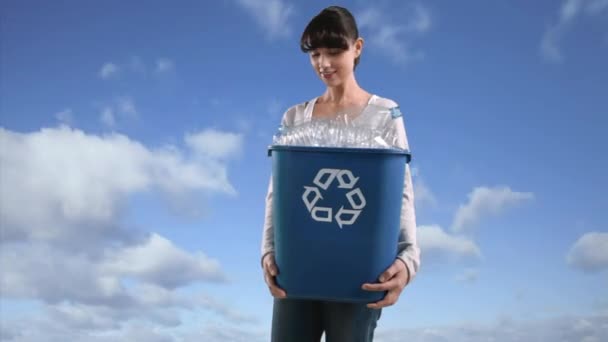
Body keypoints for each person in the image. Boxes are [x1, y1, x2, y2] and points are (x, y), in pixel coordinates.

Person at [260, 5, 420, 342]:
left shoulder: (385, 114)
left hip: (360, 272)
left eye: (335, 51)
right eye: (315, 53)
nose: (324, 63)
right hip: (299, 268)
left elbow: (399, 192)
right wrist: (267, 252)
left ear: (357, 47)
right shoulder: (295, 118)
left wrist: (408, 262)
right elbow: (278, 194)